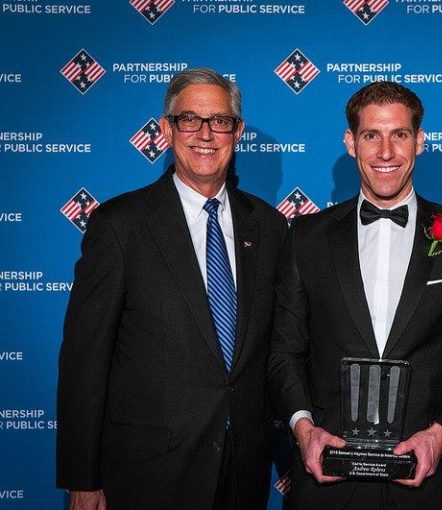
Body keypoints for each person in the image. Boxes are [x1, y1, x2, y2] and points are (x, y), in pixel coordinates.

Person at [56, 68, 287, 510]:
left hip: (242, 473)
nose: (205, 134)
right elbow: (85, 361)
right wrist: (82, 479)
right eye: (189, 119)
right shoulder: (120, 226)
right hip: (148, 474)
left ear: (237, 132)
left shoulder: (269, 226)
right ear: (166, 129)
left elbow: (276, 350)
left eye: (220, 121)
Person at [268, 81, 442, 509]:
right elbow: (284, 352)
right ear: (350, 143)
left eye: (399, 134)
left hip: (428, 480)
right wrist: (304, 429)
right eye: (371, 135)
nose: (386, 152)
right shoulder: (305, 237)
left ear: (419, 141)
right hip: (327, 478)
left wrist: (440, 435)